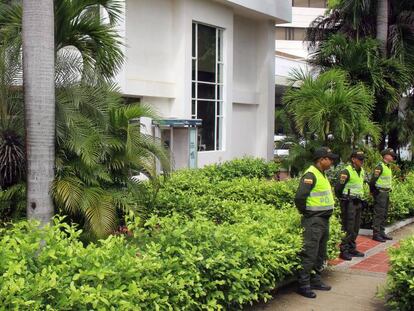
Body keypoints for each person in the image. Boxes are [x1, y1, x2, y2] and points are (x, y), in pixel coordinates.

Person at [295, 147, 338, 299]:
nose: (331, 161)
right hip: (313, 220)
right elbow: (300, 197)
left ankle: (316, 280)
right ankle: (304, 285)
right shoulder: (310, 175)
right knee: (310, 253)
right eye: (329, 159)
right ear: (321, 160)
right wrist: (307, 213)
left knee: (320, 253)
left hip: (323, 220)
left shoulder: (322, 174)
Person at [335, 150, 366, 260]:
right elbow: (338, 188)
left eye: (363, 159)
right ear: (353, 159)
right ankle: (344, 250)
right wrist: (344, 200)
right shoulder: (346, 172)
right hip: (348, 203)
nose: (362, 161)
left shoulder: (361, 171)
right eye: (360, 159)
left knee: (356, 227)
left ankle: (352, 248)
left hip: (358, 202)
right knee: (348, 227)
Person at [369, 148, 396, 242]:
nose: (393, 157)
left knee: (384, 214)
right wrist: (373, 192)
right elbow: (372, 181)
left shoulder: (387, 166)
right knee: (379, 214)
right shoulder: (379, 167)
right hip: (380, 193)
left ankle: (382, 232)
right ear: (386, 156)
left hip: (386, 193)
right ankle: (376, 234)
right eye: (391, 156)